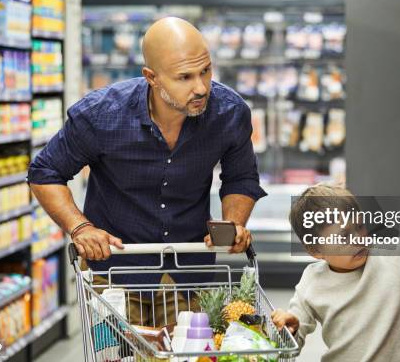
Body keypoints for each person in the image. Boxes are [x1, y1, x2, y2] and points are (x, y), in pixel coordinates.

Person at [27, 17, 267, 325]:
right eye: (184, 77)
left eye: (205, 71)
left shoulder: (229, 113)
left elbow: (241, 177)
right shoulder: (101, 115)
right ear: (151, 77)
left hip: (189, 268)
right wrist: (81, 228)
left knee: (188, 354)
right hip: (117, 270)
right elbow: (45, 170)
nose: (201, 87)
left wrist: (233, 224)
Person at [271, 183, 400, 361]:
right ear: (315, 250)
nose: (358, 239)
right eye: (344, 236)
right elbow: (293, 339)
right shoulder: (311, 280)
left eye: (360, 227)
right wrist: (290, 328)